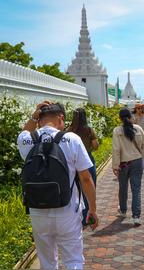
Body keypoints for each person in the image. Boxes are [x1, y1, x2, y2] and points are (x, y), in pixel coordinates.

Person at [17, 101, 98, 269]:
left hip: (37, 211)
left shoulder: (26, 140)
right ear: (61, 118)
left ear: (39, 118)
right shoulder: (71, 139)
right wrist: (92, 209)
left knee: (47, 262)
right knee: (73, 259)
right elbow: (86, 178)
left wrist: (34, 115)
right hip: (67, 210)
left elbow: (25, 130)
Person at [113, 108, 144, 226]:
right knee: (136, 189)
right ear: (131, 116)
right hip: (137, 161)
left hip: (124, 163)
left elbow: (116, 149)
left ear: (119, 118)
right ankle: (136, 216)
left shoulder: (117, 130)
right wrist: (140, 156)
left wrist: (115, 165)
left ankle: (123, 211)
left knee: (123, 187)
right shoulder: (138, 128)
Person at [67, 108, 99, 228]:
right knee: (89, 186)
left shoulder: (69, 130)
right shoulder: (89, 130)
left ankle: (76, 215)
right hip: (87, 160)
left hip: (72, 162)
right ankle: (87, 215)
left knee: (74, 188)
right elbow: (96, 146)